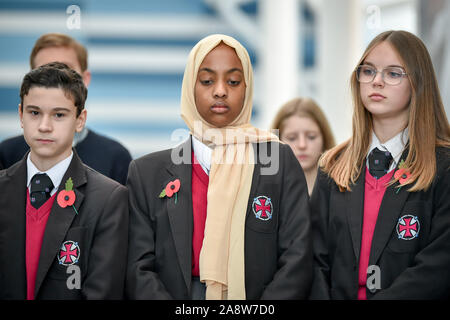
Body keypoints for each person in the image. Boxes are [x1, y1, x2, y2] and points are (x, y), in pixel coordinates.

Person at [126, 34, 312, 300]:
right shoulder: (147, 173)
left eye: (233, 81)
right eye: (207, 80)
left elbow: (298, 257)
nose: (221, 90)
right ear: (190, 87)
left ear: (247, 88)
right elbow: (138, 268)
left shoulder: (278, 160)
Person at [310, 30, 450, 299]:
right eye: (368, 71)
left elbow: (437, 267)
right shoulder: (333, 166)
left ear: (418, 84)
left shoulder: (443, 167)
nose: (376, 81)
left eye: (393, 73)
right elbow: (316, 259)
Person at [0, 62, 128, 299]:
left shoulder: (108, 199)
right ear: (20, 115)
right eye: (34, 113)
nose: (44, 126)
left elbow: (103, 292)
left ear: (80, 120)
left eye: (59, 114)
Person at [0, 33, 132, 185]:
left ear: (85, 79)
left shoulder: (115, 157)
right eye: (44, 71)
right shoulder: (6, 154)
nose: (54, 79)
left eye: (66, 72)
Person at [272, 97, 335, 195]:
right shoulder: (266, 192)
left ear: (324, 138)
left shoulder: (340, 189)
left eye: (311, 137)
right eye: (292, 138)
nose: (302, 145)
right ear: (277, 141)